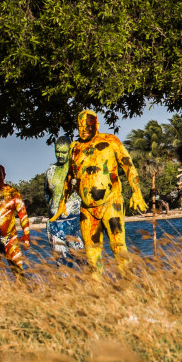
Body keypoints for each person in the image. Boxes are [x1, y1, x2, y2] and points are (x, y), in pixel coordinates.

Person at [69, 109, 148, 274]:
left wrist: (136, 191)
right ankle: (97, 287)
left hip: (111, 202)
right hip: (87, 208)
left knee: (118, 245)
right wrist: (63, 201)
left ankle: (128, 282)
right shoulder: (75, 148)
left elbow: (128, 165)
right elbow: (70, 176)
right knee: (91, 253)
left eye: (88, 126)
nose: (84, 130)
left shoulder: (110, 141)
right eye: (80, 127)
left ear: (96, 125)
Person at [43, 138, 84, 267]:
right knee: (62, 264)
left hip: (74, 221)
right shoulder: (50, 170)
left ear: (70, 151)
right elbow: (47, 194)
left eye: (64, 152)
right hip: (54, 223)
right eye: (57, 152)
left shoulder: (76, 169)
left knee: (83, 260)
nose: (60, 155)